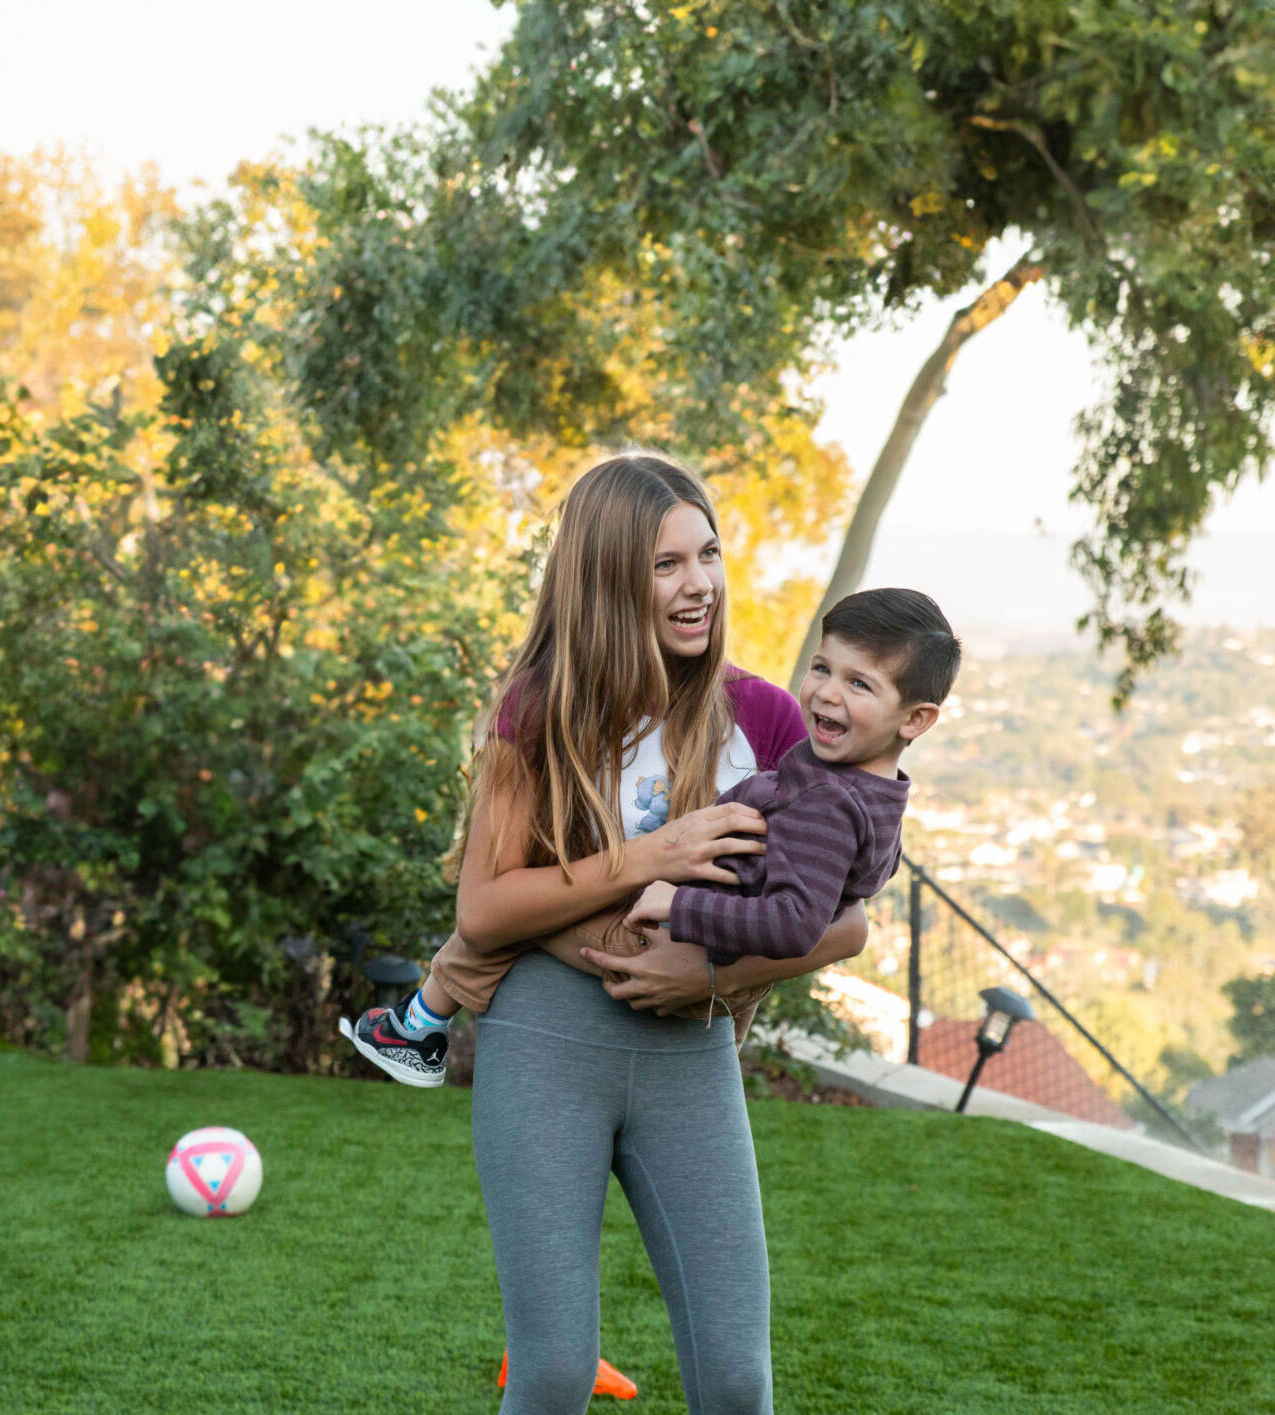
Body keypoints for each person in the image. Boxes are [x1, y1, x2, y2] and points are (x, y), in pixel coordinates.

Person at [347, 452, 869, 1414]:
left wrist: (708, 980)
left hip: (690, 1050)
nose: (698, 583)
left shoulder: (762, 715)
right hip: (545, 1042)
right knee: (549, 1371)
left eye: (706, 554)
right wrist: (652, 853)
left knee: (738, 1379)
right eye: (665, 564)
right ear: (606, 578)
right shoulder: (538, 710)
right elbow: (484, 908)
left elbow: (846, 923)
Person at [623, 588, 960, 962]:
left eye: (859, 683)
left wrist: (678, 903)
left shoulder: (828, 801)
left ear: (915, 719)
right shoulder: (880, 794)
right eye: (822, 668)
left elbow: (793, 923)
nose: (827, 693)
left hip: (673, 939)